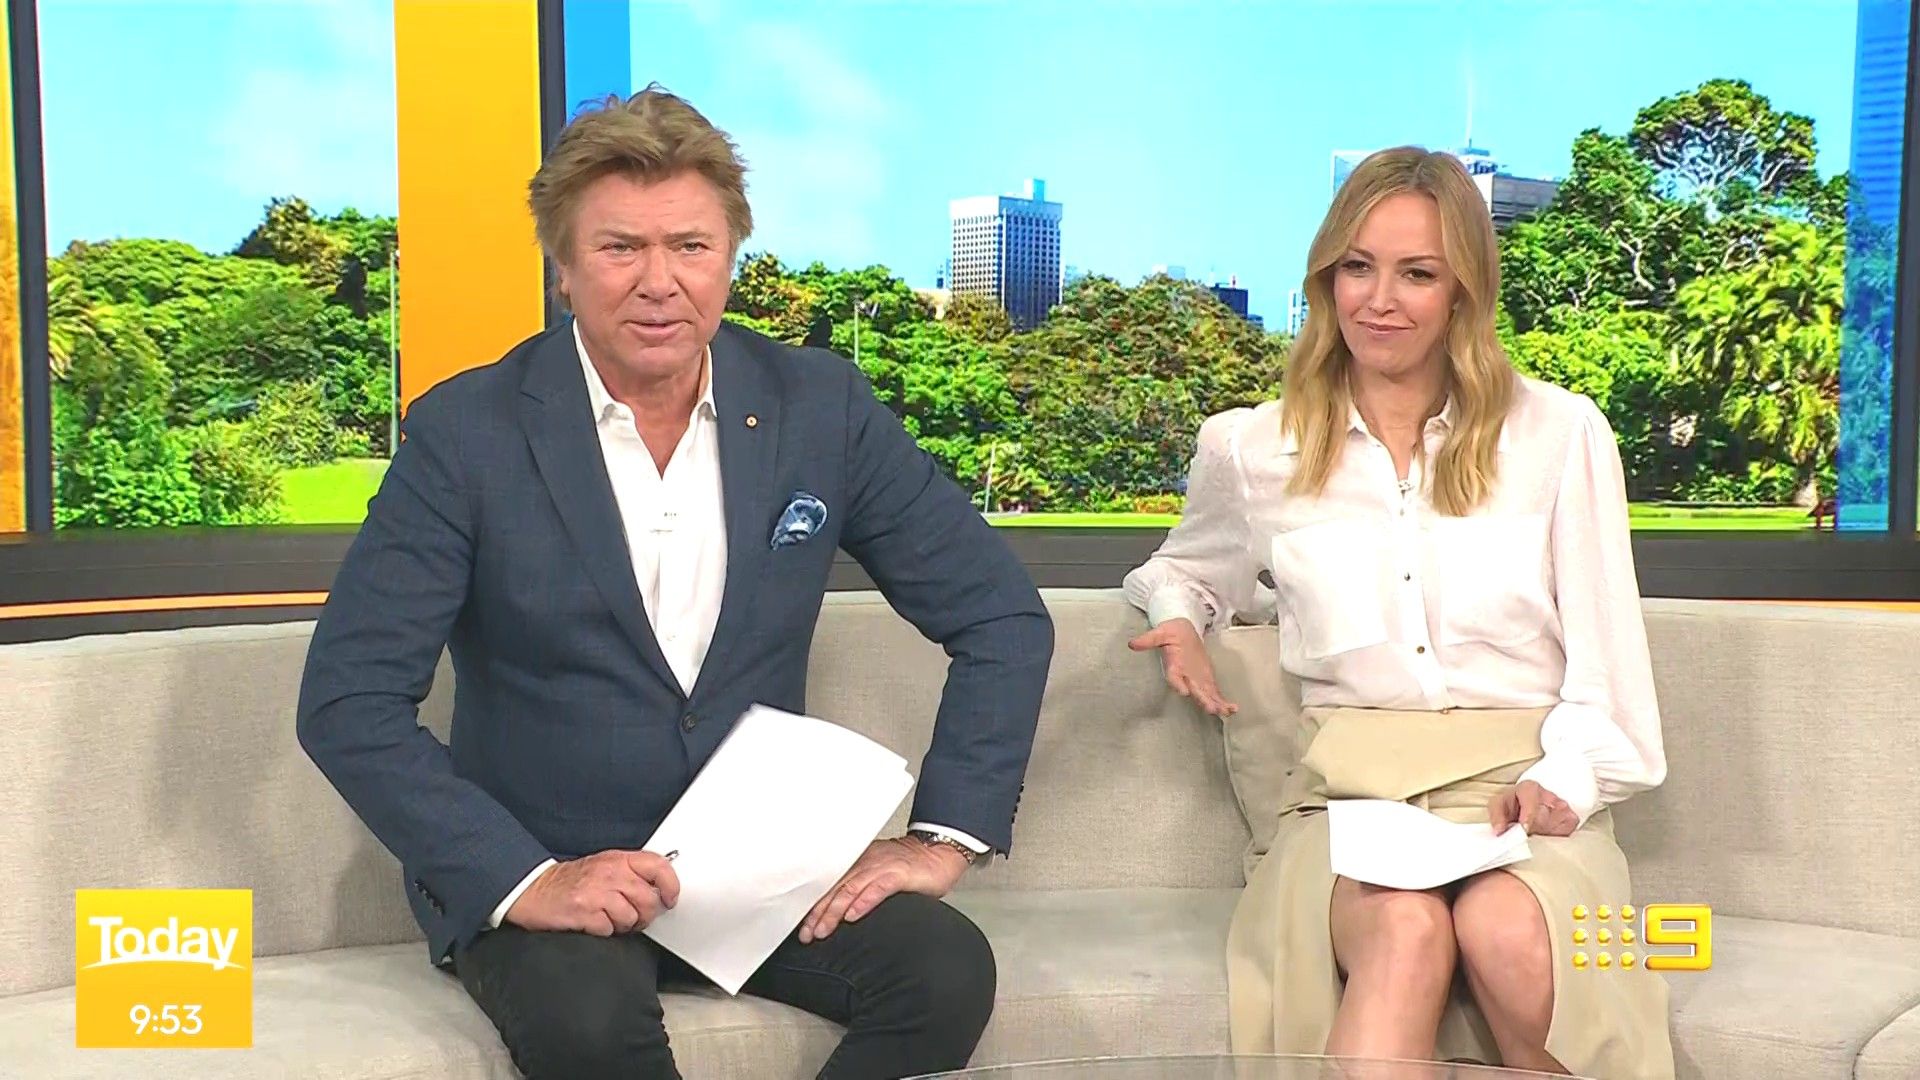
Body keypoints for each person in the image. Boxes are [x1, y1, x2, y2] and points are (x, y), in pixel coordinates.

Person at [297, 86, 1054, 1080]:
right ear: (564, 268)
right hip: (553, 866)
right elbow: (349, 699)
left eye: (690, 247)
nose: (660, 282)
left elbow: (1001, 616)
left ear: (730, 257)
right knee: (588, 1027)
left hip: (757, 873)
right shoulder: (467, 433)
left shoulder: (819, 408)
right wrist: (526, 880)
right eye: (620, 248)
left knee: (945, 975)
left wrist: (942, 840)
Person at [1121, 147, 1674, 1078]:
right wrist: (1179, 618)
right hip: (1349, 799)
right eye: (1357, 267)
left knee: (1509, 931)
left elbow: (1609, 661)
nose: (1379, 300)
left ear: (1462, 293)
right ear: (1326, 279)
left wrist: (1568, 784)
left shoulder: (1559, 434)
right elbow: (1186, 568)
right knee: (1406, 930)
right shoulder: (1252, 448)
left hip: (1520, 789)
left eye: (1417, 273)